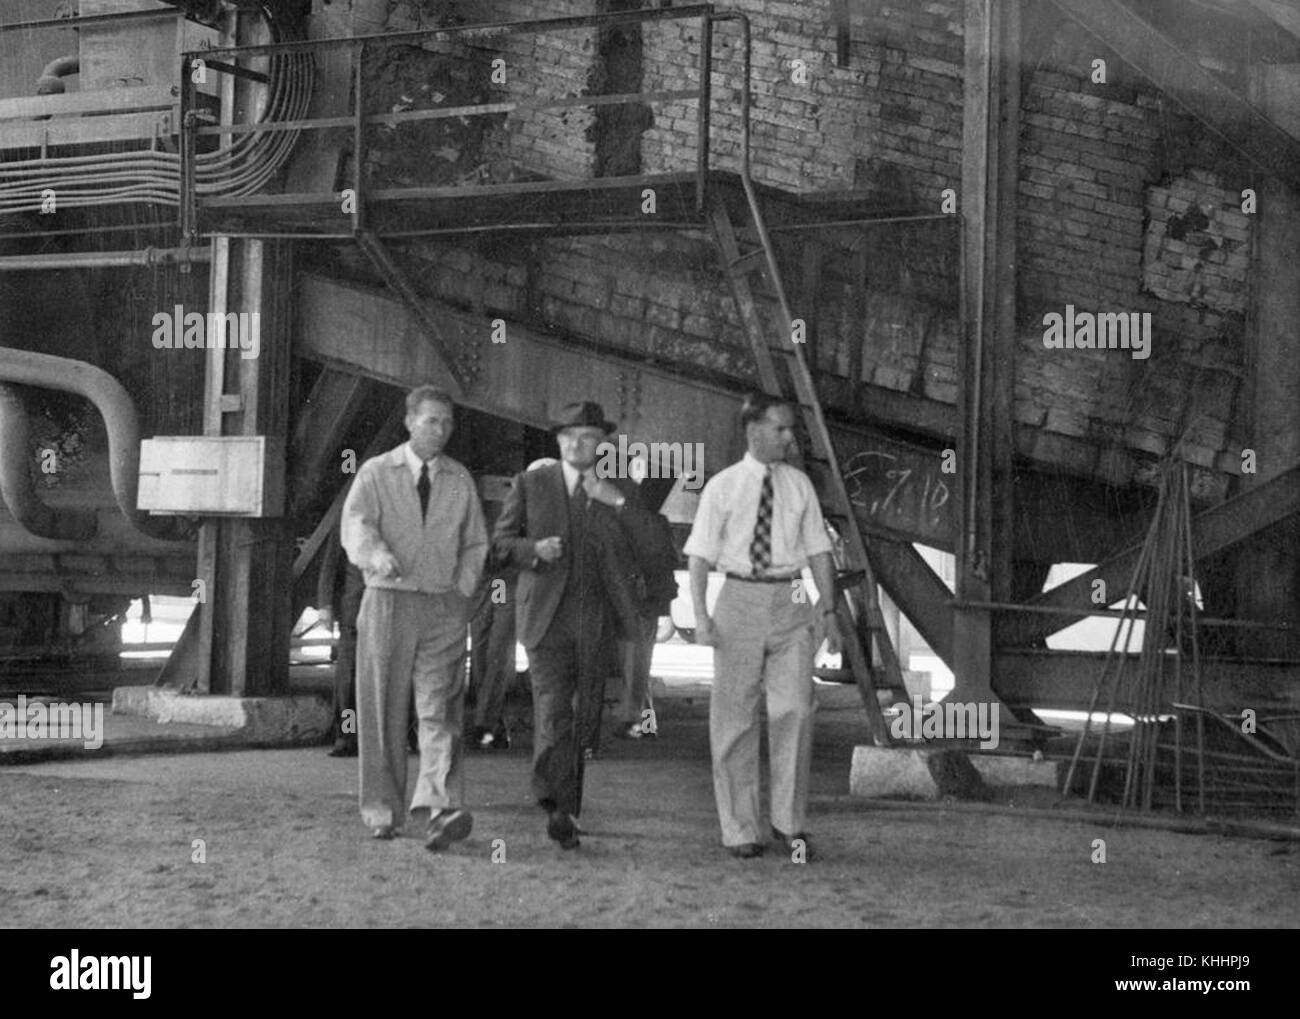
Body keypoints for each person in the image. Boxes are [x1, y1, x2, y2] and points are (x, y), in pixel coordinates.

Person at [683, 392, 843, 861]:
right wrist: (701, 617)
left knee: (795, 707)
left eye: (791, 428)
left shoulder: (799, 486)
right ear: (754, 432)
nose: (790, 437)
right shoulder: (723, 487)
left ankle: (788, 822)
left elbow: (818, 552)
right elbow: (698, 556)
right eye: (781, 429)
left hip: (791, 596)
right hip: (738, 597)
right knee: (734, 718)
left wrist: (828, 611)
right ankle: (740, 829)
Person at [341, 384, 488, 849]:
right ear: (409, 422)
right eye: (431, 421)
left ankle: (441, 810)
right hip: (387, 601)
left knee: (439, 708)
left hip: (443, 606)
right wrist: (375, 555)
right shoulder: (376, 472)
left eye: (447, 423)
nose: (440, 431)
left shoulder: (460, 480)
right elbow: (356, 523)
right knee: (383, 709)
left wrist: (461, 592)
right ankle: (383, 811)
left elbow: (476, 544)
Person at [491, 402, 642, 850]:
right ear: (558, 442)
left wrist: (613, 501)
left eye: (589, 437)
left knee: (585, 717)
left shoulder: (619, 489)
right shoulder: (530, 484)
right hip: (545, 620)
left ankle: (564, 804)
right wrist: (534, 549)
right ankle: (556, 804)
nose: (578, 444)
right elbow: (499, 546)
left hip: (596, 621)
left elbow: (649, 541)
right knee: (555, 709)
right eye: (569, 436)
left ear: (602, 444)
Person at [608, 470, 679, 741]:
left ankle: (634, 719)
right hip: (647, 600)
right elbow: (669, 560)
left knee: (631, 663)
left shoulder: (621, 517)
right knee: (640, 665)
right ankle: (645, 721)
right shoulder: (657, 521)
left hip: (628, 599)